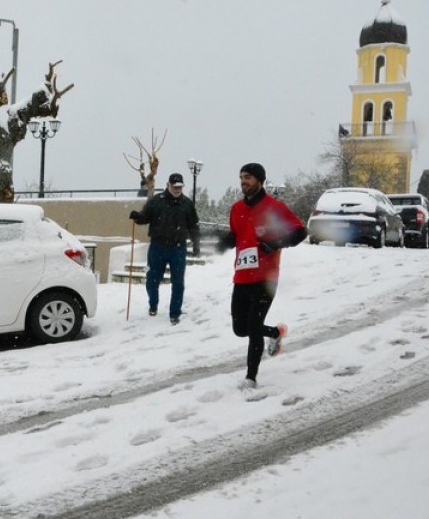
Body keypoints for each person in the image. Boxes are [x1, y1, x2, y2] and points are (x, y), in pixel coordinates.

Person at [216, 163, 306, 390]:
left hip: (266, 277)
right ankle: (275, 332)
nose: (243, 181)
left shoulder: (274, 207)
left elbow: (299, 232)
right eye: (241, 177)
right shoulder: (236, 208)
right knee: (240, 328)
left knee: (254, 326)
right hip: (242, 277)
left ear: (260, 180)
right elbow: (236, 235)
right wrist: (221, 241)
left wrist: (275, 243)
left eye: (248, 177)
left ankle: (250, 377)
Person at [129, 172, 200, 325]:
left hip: (178, 248)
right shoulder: (156, 201)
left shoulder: (187, 204)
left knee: (178, 283)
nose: (177, 189)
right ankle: (153, 304)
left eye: (180, 187)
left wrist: (196, 244)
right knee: (152, 281)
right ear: (168, 185)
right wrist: (137, 217)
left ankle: (175, 313)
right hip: (157, 247)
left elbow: (193, 226)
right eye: (174, 186)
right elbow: (144, 217)